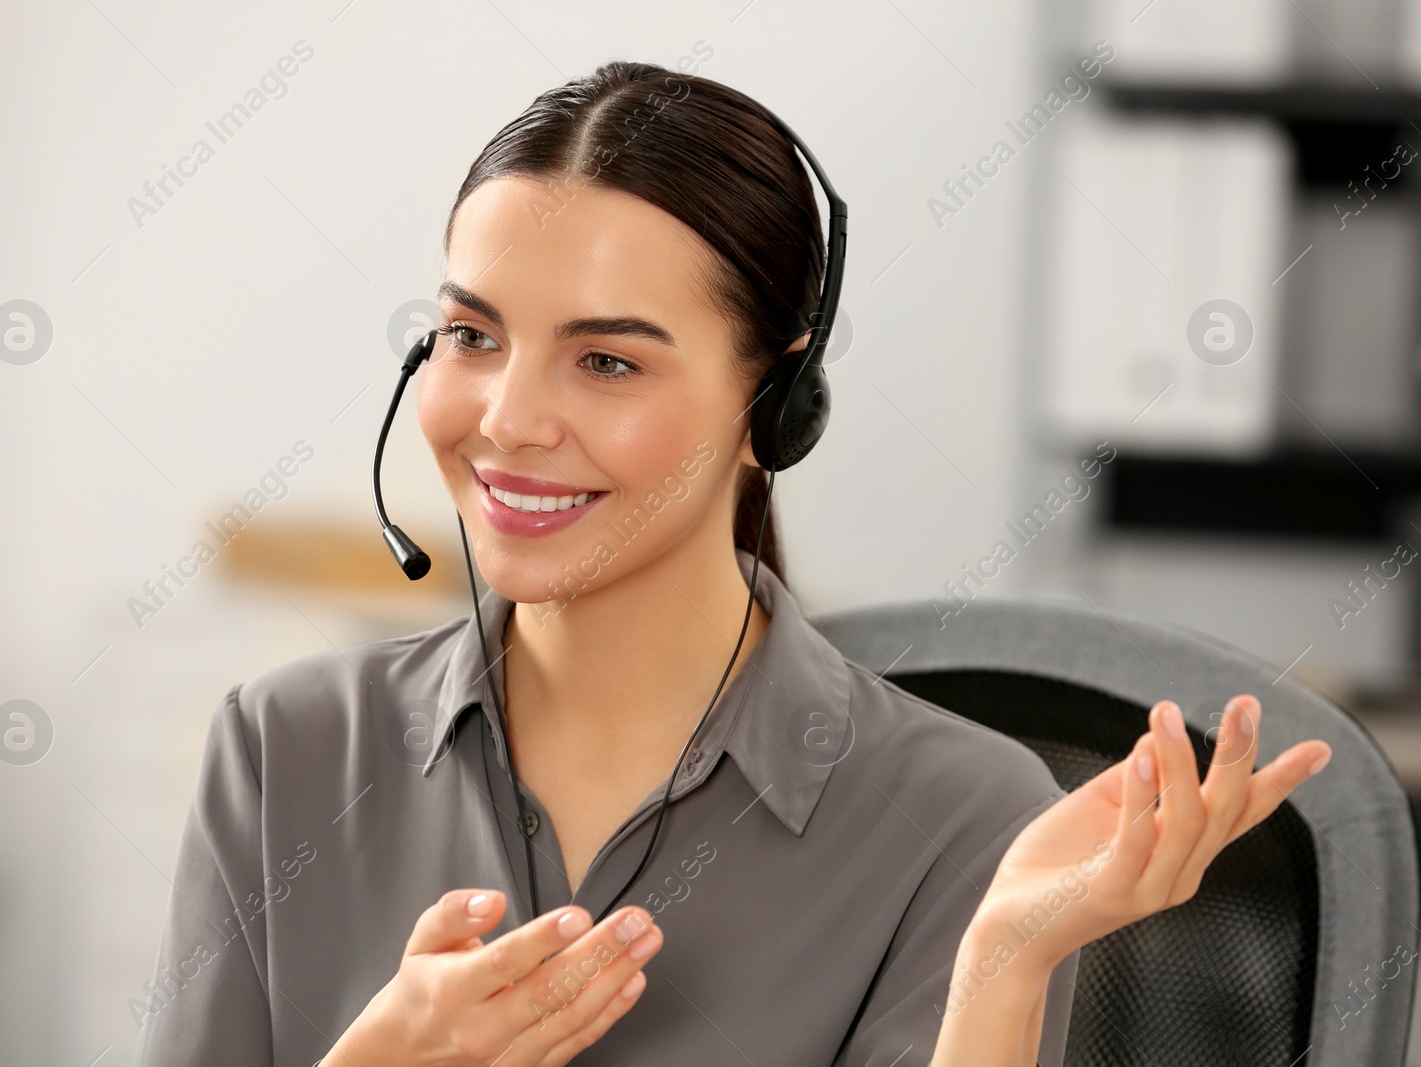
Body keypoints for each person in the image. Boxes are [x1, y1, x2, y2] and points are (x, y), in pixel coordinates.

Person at [131, 60, 1333, 1066]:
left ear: (776, 404)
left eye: (606, 360)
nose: (506, 417)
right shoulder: (281, 752)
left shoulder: (960, 818)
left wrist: (1004, 969)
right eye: (470, 335)